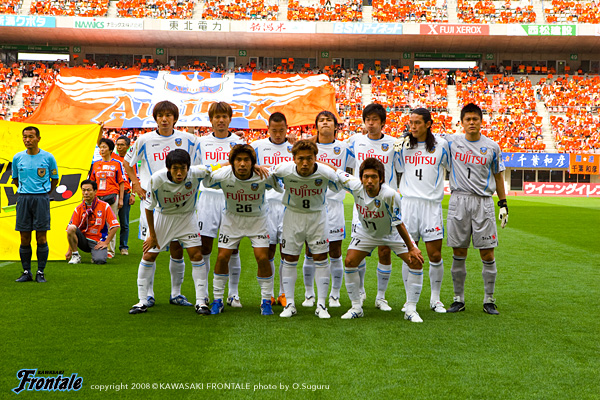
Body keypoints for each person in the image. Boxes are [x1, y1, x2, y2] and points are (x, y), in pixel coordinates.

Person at [124, 100, 199, 308]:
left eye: (168, 115)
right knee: (151, 247)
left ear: (175, 118)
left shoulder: (188, 139)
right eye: (160, 115)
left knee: (177, 248)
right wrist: (137, 185)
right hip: (152, 203)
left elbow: (199, 165)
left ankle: (176, 293)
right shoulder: (144, 140)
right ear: (155, 118)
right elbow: (127, 163)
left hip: (179, 203)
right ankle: (147, 295)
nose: (164, 119)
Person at [333, 158, 424, 321]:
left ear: (381, 178)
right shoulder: (354, 185)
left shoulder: (390, 195)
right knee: (350, 261)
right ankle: (356, 307)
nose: (369, 180)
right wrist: (314, 160)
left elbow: (399, 223)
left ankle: (411, 309)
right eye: (366, 176)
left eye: (374, 177)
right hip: (366, 233)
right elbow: (334, 171)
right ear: (360, 178)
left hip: (391, 234)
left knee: (415, 261)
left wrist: (411, 247)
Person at [129, 150, 213, 315]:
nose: (180, 172)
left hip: (187, 218)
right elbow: (148, 208)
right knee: (149, 255)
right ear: (168, 168)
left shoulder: (197, 173)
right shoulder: (157, 179)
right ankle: (142, 300)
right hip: (163, 217)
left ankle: (201, 302)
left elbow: (217, 167)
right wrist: (152, 236)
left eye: (183, 168)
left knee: (196, 255)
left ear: (189, 167)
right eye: (175, 168)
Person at [203, 145, 281, 316]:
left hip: (257, 220)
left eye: (247, 160)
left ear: (253, 163)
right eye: (238, 160)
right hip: (231, 220)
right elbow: (205, 178)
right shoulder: (223, 175)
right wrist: (224, 165)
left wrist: (265, 168)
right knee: (223, 257)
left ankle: (266, 301)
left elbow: (280, 180)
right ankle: (218, 300)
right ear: (232, 162)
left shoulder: (263, 176)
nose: (242, 164)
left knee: (262, 258)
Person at [445, 103, 508, 315]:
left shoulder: (492, 146)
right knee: (459, 252)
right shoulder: (451, 142)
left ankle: (489, 300)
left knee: (488, 253)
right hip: (459, 200)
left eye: (475, 119)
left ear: (482, 121)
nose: (472, 122)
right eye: (468, 119)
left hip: (484, 202)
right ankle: (458, 299)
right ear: (461, 122)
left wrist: (503, 203)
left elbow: (499, 176)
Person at [271, 140, 342, 319]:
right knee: (289, 258)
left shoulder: (325, 172)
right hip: (292, 216)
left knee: (320, 258)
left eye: (309, 159)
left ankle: (321, 305)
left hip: (317, 218)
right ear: (293, 158)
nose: (305, 163)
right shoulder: (283, 170)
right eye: (300, 158)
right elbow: (269, 176)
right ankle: (290, 304)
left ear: (315, 158)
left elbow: (340, 182)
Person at [346, 103, 400, 311]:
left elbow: (402, 165)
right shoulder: (355, 141)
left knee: (384, 250)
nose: (370, 123)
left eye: (375, 120)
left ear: (382, 122)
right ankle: (359, 293)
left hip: (386, 203)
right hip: (361, 203)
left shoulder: (394, 144)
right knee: (358, 249)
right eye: (367, 119)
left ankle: (381, 297)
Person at [396, 108, 450, 313]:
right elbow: (397, 167)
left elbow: (450, 167)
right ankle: (409, 299)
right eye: (411, 122)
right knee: (409, 254)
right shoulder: (403, 145)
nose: (413, 127)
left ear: (428, 124)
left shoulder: (441, 145)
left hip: (431, 206)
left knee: (434, 255)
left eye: (417, 123)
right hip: (408, 204)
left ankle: (435, 299)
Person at [195, 102, 245, 308]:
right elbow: (196, 169)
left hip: (230, 198)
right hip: (207, 198)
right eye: (217, 117)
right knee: (205, 248)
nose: (221, 120)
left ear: (230, 119)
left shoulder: (239, 143)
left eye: (225, 116)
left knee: (232, 248)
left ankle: (233, 294)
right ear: (211, 120)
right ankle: (205, 293)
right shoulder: (200, 142)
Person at [303, 111, 352, 309]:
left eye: (329, 120)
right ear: (316, 125)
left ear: (335, 126)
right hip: (313, 205)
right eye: (321, 121)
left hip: (334, 206)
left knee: (335, 251)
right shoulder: (308, 147)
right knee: (310, 251)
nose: (325, 123)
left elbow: (350, 172)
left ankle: (335, 295)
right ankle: (309, 295)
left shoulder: (344, 148)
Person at [252, 112, 293, 307]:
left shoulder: (294, 148)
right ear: (268, 129)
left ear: (287, 128)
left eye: (282, 130)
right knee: (267, 252)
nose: (278, 134)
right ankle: (267, 294)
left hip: (287, 206)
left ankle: (283, 294)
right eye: (274, 130)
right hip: (265, 205)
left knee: (286, 252)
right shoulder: (257, 147)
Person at [13, 126, 59, 283]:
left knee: (41, 237)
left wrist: (45, 194)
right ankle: (26, 271)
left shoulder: (48, 157)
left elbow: (55, 179)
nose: (27, 140)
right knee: (24, 236)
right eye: (25, 136)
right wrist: (25, 190)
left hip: (41, 199)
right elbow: (15, 179)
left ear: (39, 138)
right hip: (24, 199)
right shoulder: (17, 158)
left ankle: (40, 272)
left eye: (31, 136)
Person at [65, 180, 120, 265]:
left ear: (95, 191)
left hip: (97, 241)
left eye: (88, 190)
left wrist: (106, 242)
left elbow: (115, 225)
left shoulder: (104, 206)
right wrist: (70, 250)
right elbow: (72, 231)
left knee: (100, 260)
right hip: (83, 240)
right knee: (71, 227)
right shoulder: (78, 209)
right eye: (83, 190)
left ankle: (96, 255)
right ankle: (75, 255)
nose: (86, 193)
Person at [89, 138, 124, 259]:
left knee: (111, 223)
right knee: (98, 223)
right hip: (98, 197)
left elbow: (121, 182)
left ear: (110, 149)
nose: (101, 150)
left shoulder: (117, 163)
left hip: (112, 196)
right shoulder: (96, 164)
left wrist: (121, 199)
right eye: (100, 147)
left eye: (104, 147)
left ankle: (110, 250)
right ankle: (97, 246)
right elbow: (92, 182)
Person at [112, 135, 136, 256]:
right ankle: (109, 246)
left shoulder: (132, 161)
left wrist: (133, 194)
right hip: (113, 193)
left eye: (122, 145)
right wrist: (100, 129)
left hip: (126, 193)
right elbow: (100, 142)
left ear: (128, 146)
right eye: (118, 144)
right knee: (110, 220)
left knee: (124, 222)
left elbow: (135, 179)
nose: (119, 147)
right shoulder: (113, 157)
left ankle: (123, 246)